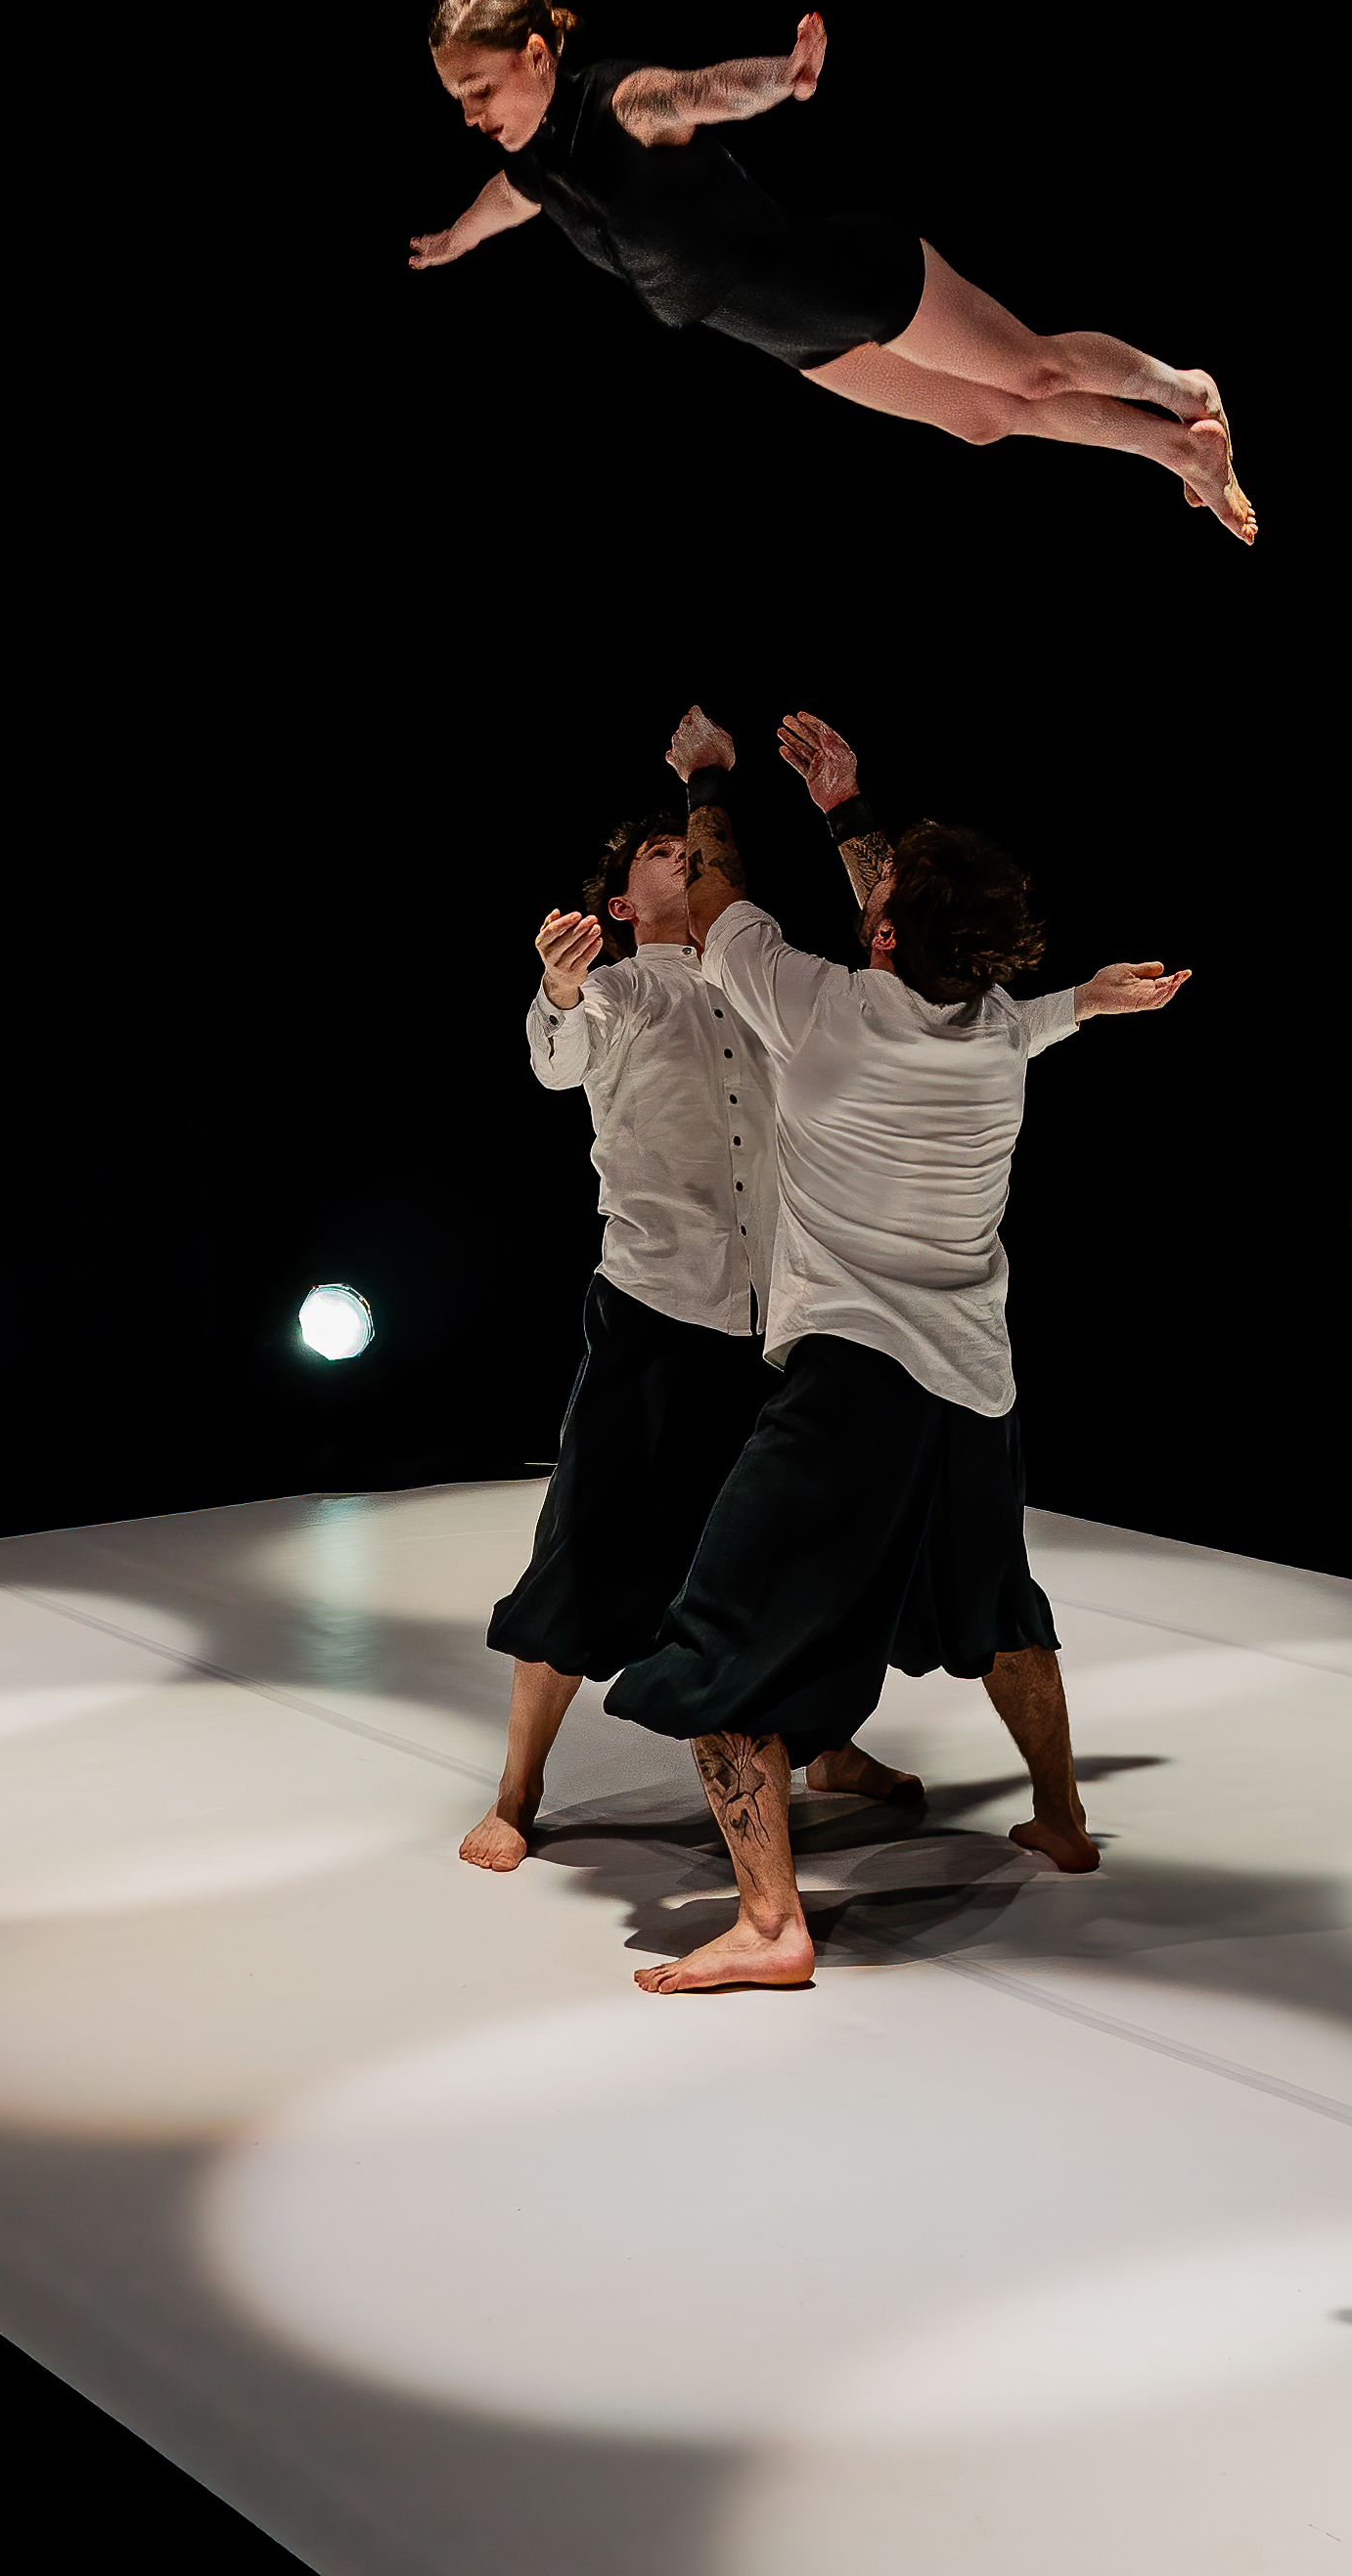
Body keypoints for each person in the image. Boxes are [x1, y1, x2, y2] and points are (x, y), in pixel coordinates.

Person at [602, 710, 1188, 1993]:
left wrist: (705, 779)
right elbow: (936, 945)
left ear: (879, 936)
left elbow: (712, 900)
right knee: (997, 1609)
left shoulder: (813, 1011)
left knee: (714, 1652)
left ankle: (769, 1926)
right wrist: (845, 806)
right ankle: (1063, 1821)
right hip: (974, 1383)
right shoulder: (994, 1031)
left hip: (851, 1381)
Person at [472, 708, 918, 1872]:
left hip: (774, 1315)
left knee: (788, 1556)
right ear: (622, 901)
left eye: (694, 843)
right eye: (663, 851)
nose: (687, 851)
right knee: (588, 1543)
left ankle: (827, 1743)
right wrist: (558, 988)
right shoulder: (616, 995)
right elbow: (554, 1054)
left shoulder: (763, 974)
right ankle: (516, 1789)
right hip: (657, 1313)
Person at [404, 0, 1256, 546]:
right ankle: (1179, 448)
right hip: (788, 335)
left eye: (478, 88)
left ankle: (1180, 389)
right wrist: (456, 239)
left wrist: (781, 77)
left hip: (844, 277)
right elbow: (505, 200)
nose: (472, 114)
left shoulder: (618, 103)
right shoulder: (538, 163)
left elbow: (700, 91)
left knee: (1032, 369)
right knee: (985, 419)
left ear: (536, 54)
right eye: (457, 100)